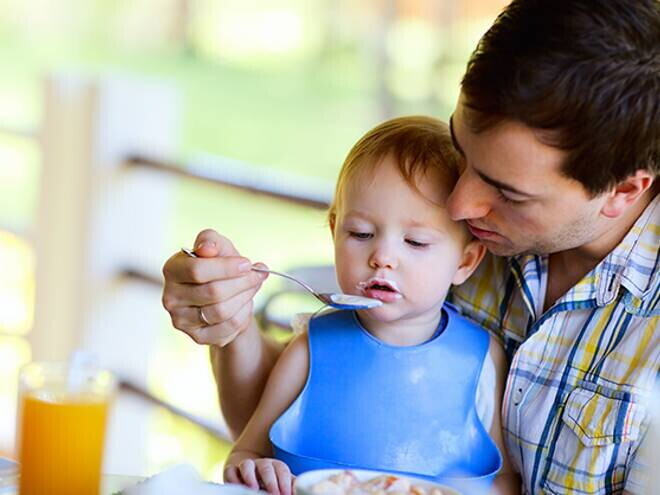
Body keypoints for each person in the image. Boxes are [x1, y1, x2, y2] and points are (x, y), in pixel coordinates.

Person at [161, 0, 659, 493]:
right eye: (462, 154)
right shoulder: (443, 235)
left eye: (506, 191)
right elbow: (294, 416)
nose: (459, 204)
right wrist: (228, 323)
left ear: (625, 191)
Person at [221, 117, 515, 495]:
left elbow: (503, 480)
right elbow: (244, 454)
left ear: (465, 262)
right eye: (360, 234)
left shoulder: (482, 358)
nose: (382, 256)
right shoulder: (310, 349)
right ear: (334, 232)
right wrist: (257, 470)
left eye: (416, 242)